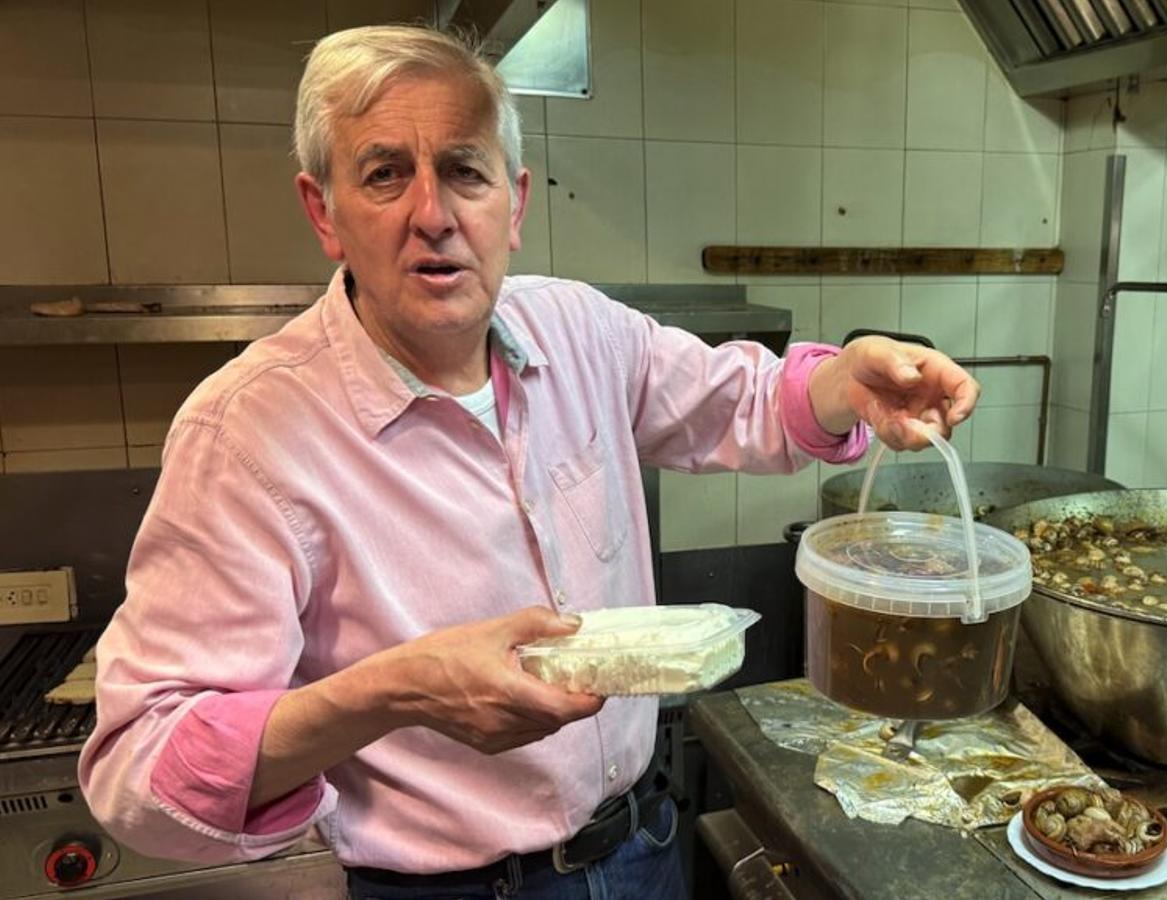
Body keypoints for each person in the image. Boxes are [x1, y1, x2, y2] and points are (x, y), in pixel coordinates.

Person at [77, 25, 979, 900]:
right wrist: (395, 692)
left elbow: (737, 401)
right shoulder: (247, 432)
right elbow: (138, 766)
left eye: (464, 171)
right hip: (444, 890)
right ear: (325, 210)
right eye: (385, 173)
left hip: (640, 846)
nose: (432, 215)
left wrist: (849, 384)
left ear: (514, 204)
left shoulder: (575, 328)